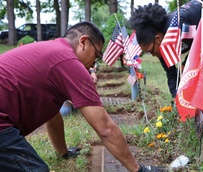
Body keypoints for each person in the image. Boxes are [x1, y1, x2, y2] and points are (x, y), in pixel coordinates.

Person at [0, 21, 165, 172]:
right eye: (96, 55)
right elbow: (105, 128)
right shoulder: (68, 61)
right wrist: (139, 170)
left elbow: (52, 114)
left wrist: (63, 152)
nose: (94, 64)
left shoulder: (54, 51)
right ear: (84, 42)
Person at [129, 0, 203, 107]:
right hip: (199, 22)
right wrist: (176, 100)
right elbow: (171, 74)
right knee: (187, 67)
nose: (153, 55)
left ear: (158, 38)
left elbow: (199, 45)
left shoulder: (178, 26)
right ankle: (187, 110)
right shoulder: (161, 45)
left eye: (151, 51)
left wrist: (185, 62)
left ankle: (200, 116)